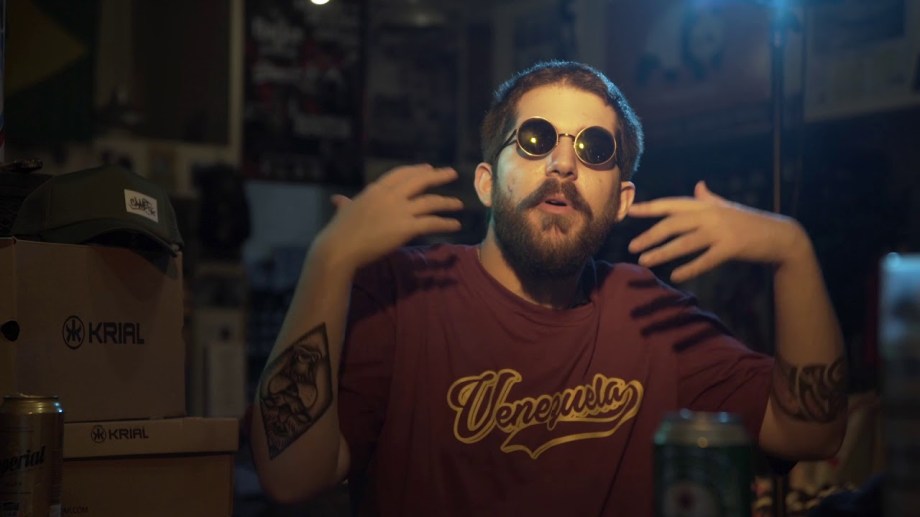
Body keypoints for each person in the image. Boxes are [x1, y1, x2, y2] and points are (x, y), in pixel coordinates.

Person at [250, 60, 847, 516]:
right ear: (487, 181)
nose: (563, 164)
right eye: (536, 139)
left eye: (594, 149)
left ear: (622, 200)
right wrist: (328, 262)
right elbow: (290, 477)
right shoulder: (406, 294)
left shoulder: (648, 316)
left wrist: (793, 251)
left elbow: (810, 430)